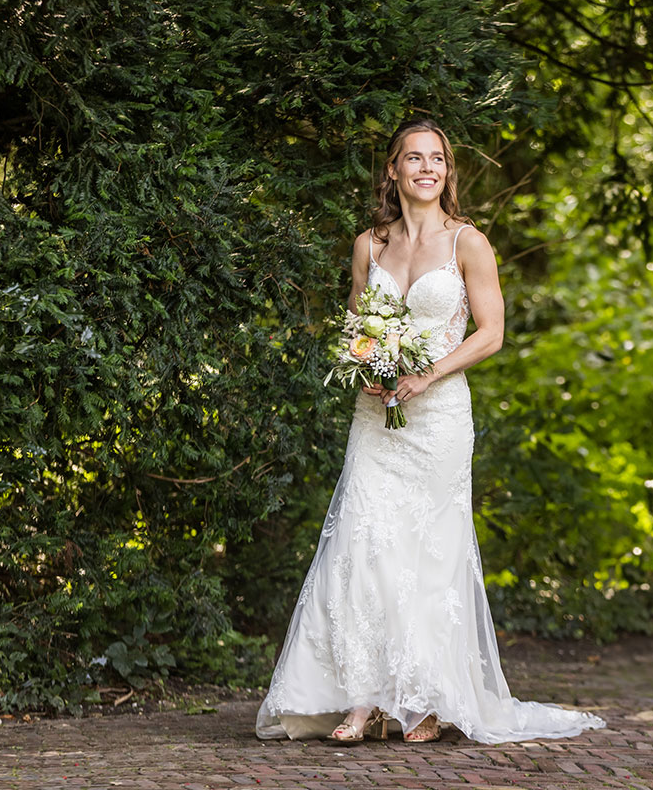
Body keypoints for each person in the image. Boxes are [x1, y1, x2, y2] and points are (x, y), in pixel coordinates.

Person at [254, 119, 606, 745]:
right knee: (364, 544)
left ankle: (425, 700)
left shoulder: (468, 243)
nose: (426, 168)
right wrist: (364, 365)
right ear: (392, 170)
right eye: (412, 159)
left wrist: (426, 375)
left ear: (448, 171)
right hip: (376, 417)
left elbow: (491, 333)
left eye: (436, 159)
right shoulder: (370, 243)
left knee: (429, 550)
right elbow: (357, 322)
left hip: (439, 417)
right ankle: (363, 699)